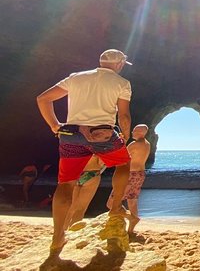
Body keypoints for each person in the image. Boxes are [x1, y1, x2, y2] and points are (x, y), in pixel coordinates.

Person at [36, 49, 133, 251]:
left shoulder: (75, 78)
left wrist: (54, 125)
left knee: (65, 185)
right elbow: (124, 116)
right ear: (120, 64)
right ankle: (115, 208)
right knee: (124, 164)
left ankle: (57, 237)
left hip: (72, 135)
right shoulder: (121, 83)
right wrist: (124, 135)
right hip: (103, 134)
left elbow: (43, 99)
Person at [107, 124, 150, 234]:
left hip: (130, 174)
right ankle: (130, 230)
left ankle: (130, 217)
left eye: (134, 131)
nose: (132, 132)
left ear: (140, 132)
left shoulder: (134, 144)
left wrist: (120, 140)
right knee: (132, 200)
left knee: (111, 204)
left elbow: (120, 155)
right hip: (140, 174)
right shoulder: (147, 144)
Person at [65, 155, 106, 228]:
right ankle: (73, 231)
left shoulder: (78, 143)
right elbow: (103, 161)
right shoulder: (99, 145)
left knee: (70, 207)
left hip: (75, 172)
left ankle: (62, 231)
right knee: (81, 209)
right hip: (92, 172)